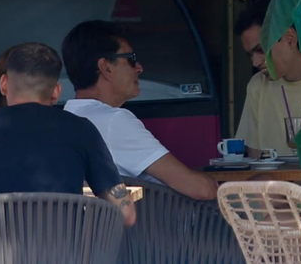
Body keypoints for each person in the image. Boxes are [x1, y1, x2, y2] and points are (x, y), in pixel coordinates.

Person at [0, 42, 135, 232]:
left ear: (4, 84)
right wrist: (80, 229)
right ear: (56, 92)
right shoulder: (82, 130)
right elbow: (126, 216)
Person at [61, 20, 218, 200]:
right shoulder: (114, 121)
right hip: (154, 226)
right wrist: (211, 183)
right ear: (106, 68)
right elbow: (199, 189)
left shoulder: (67, 118)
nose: (139, 68)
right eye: (131, 59)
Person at [234, 1, 301, 156]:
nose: (255, 62)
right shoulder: (257, 86)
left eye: (260, 50)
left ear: (290, 39)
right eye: (250, 55)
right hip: (273, 181)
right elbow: (255, 160)